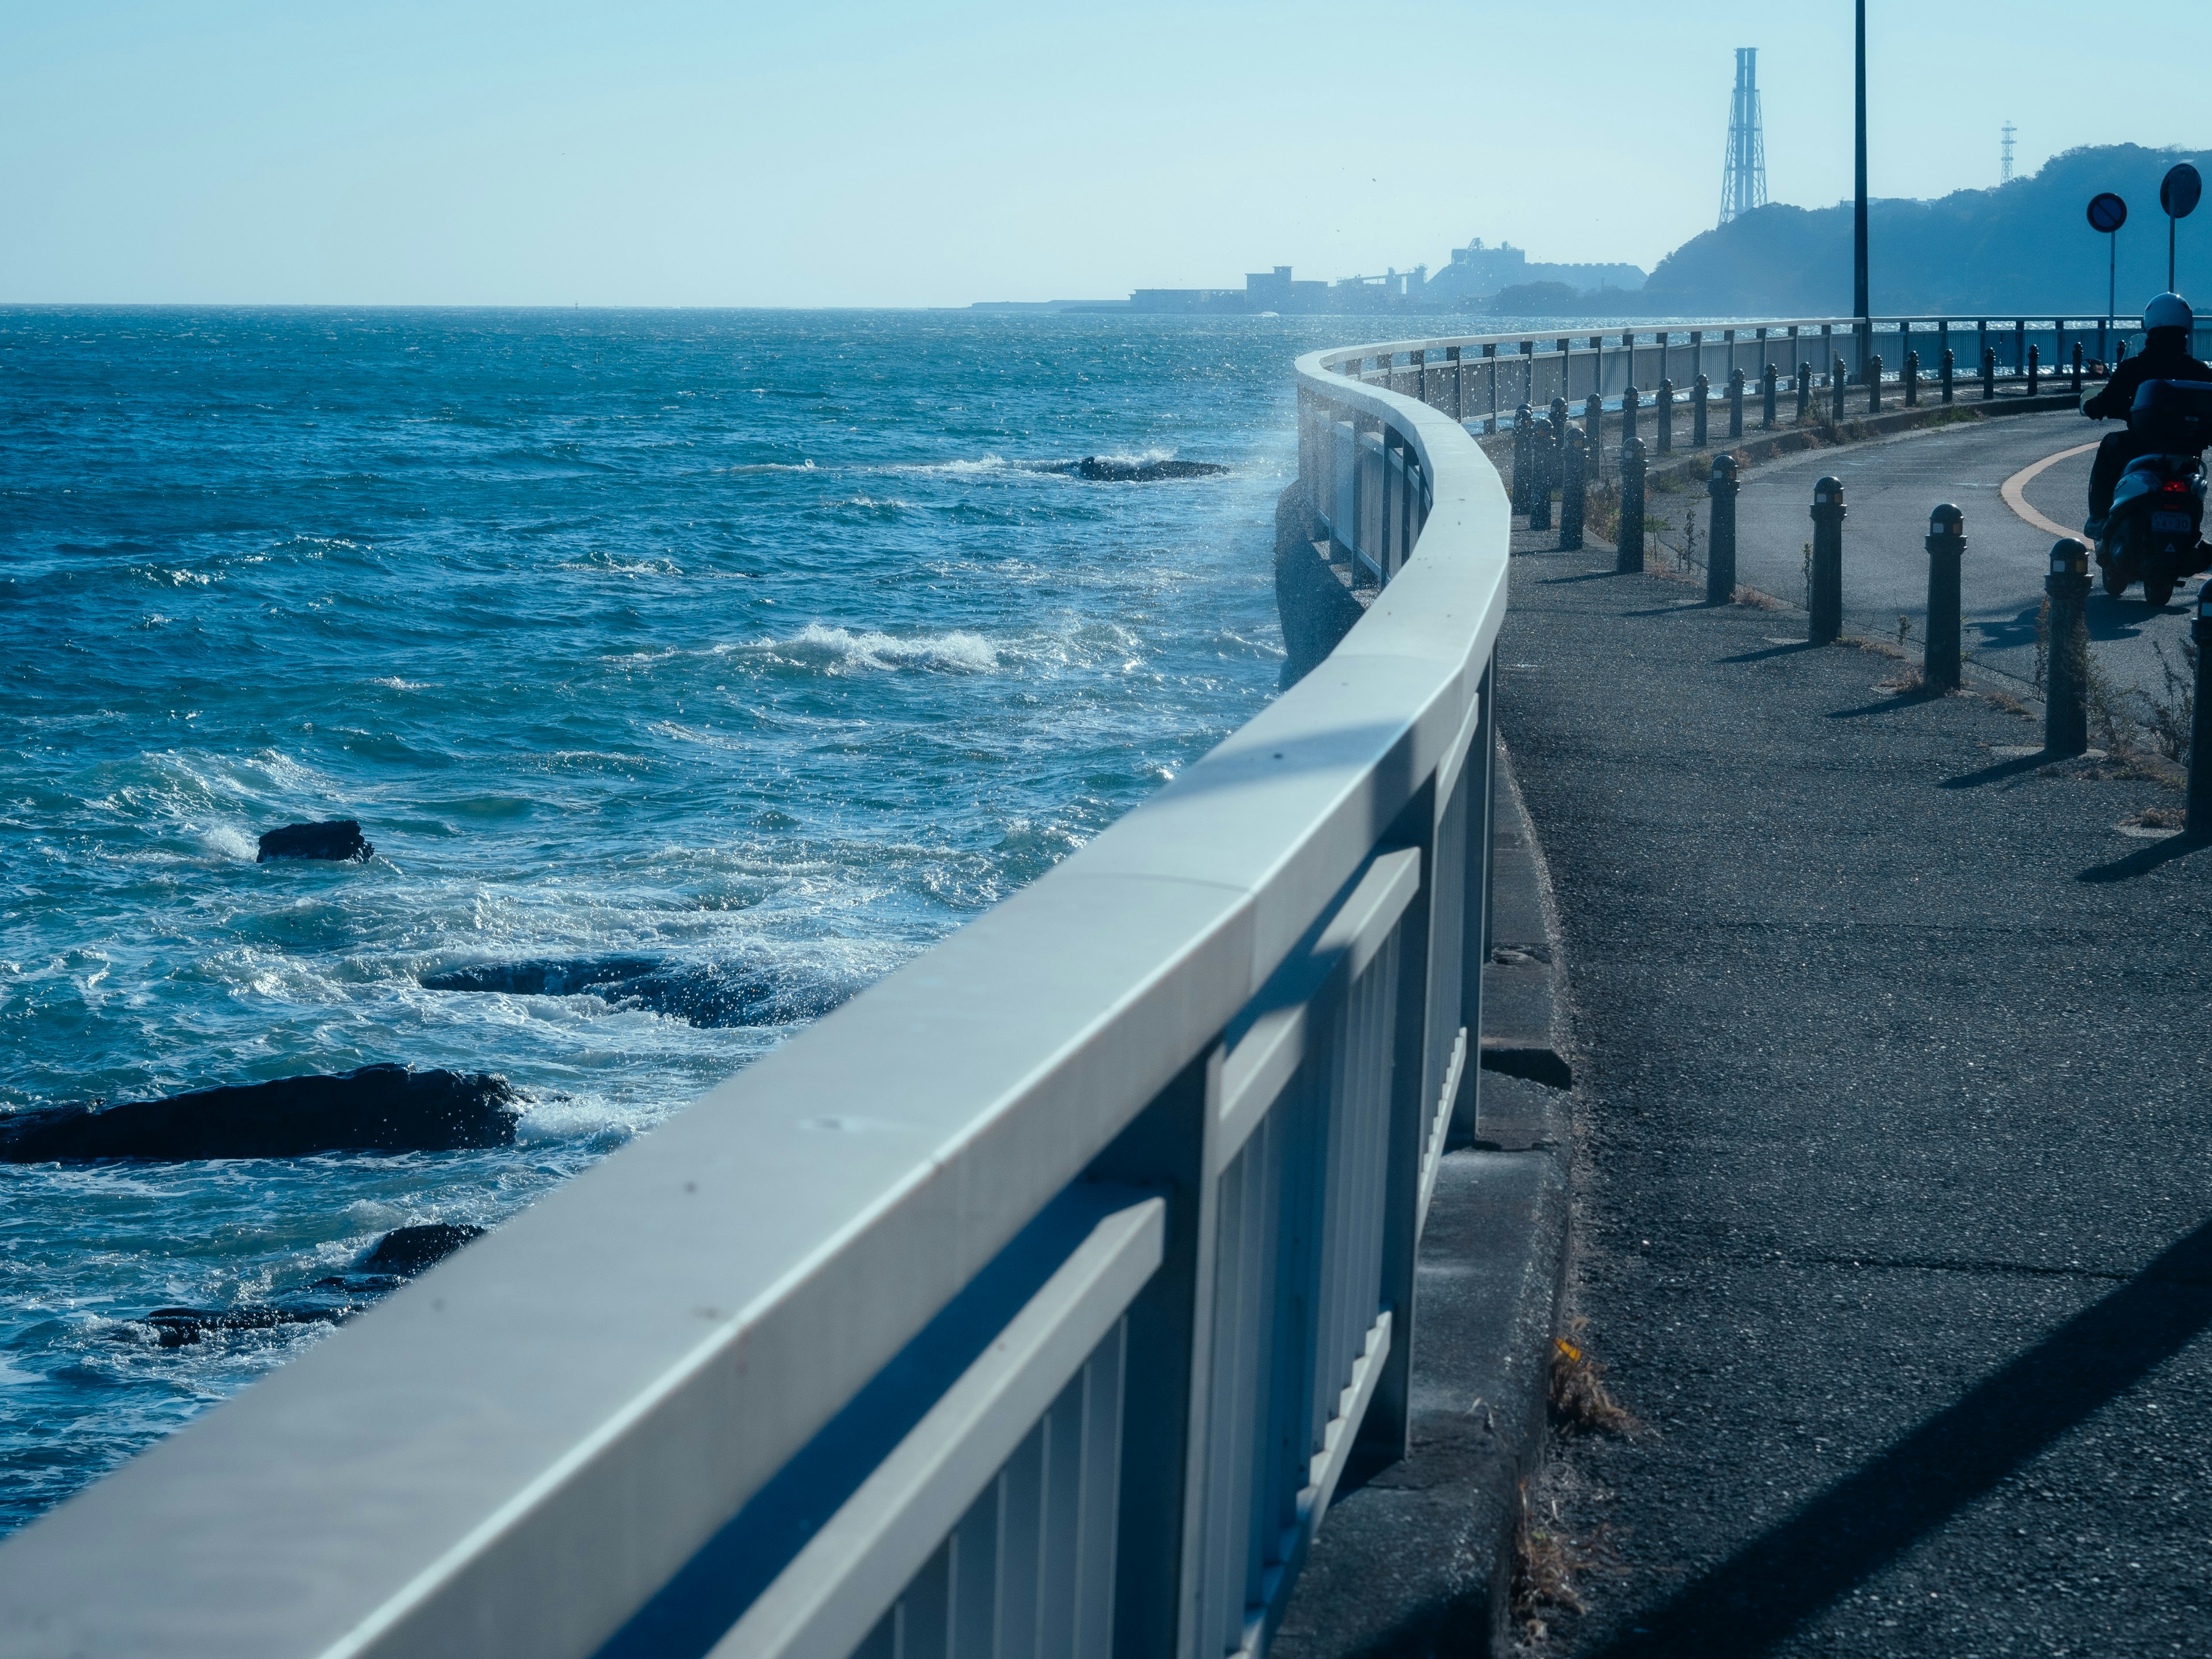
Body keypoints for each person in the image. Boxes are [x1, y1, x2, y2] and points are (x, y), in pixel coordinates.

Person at [2083, 293, 2212, 537]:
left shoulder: (2134, 367)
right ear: (2186, 326)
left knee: (2110, 444)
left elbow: (2107, 401)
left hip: (2141, 448)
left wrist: (2093, 407)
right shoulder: (2200, 371)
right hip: (2186, 454)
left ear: (2148, 324)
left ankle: (2099, 518)